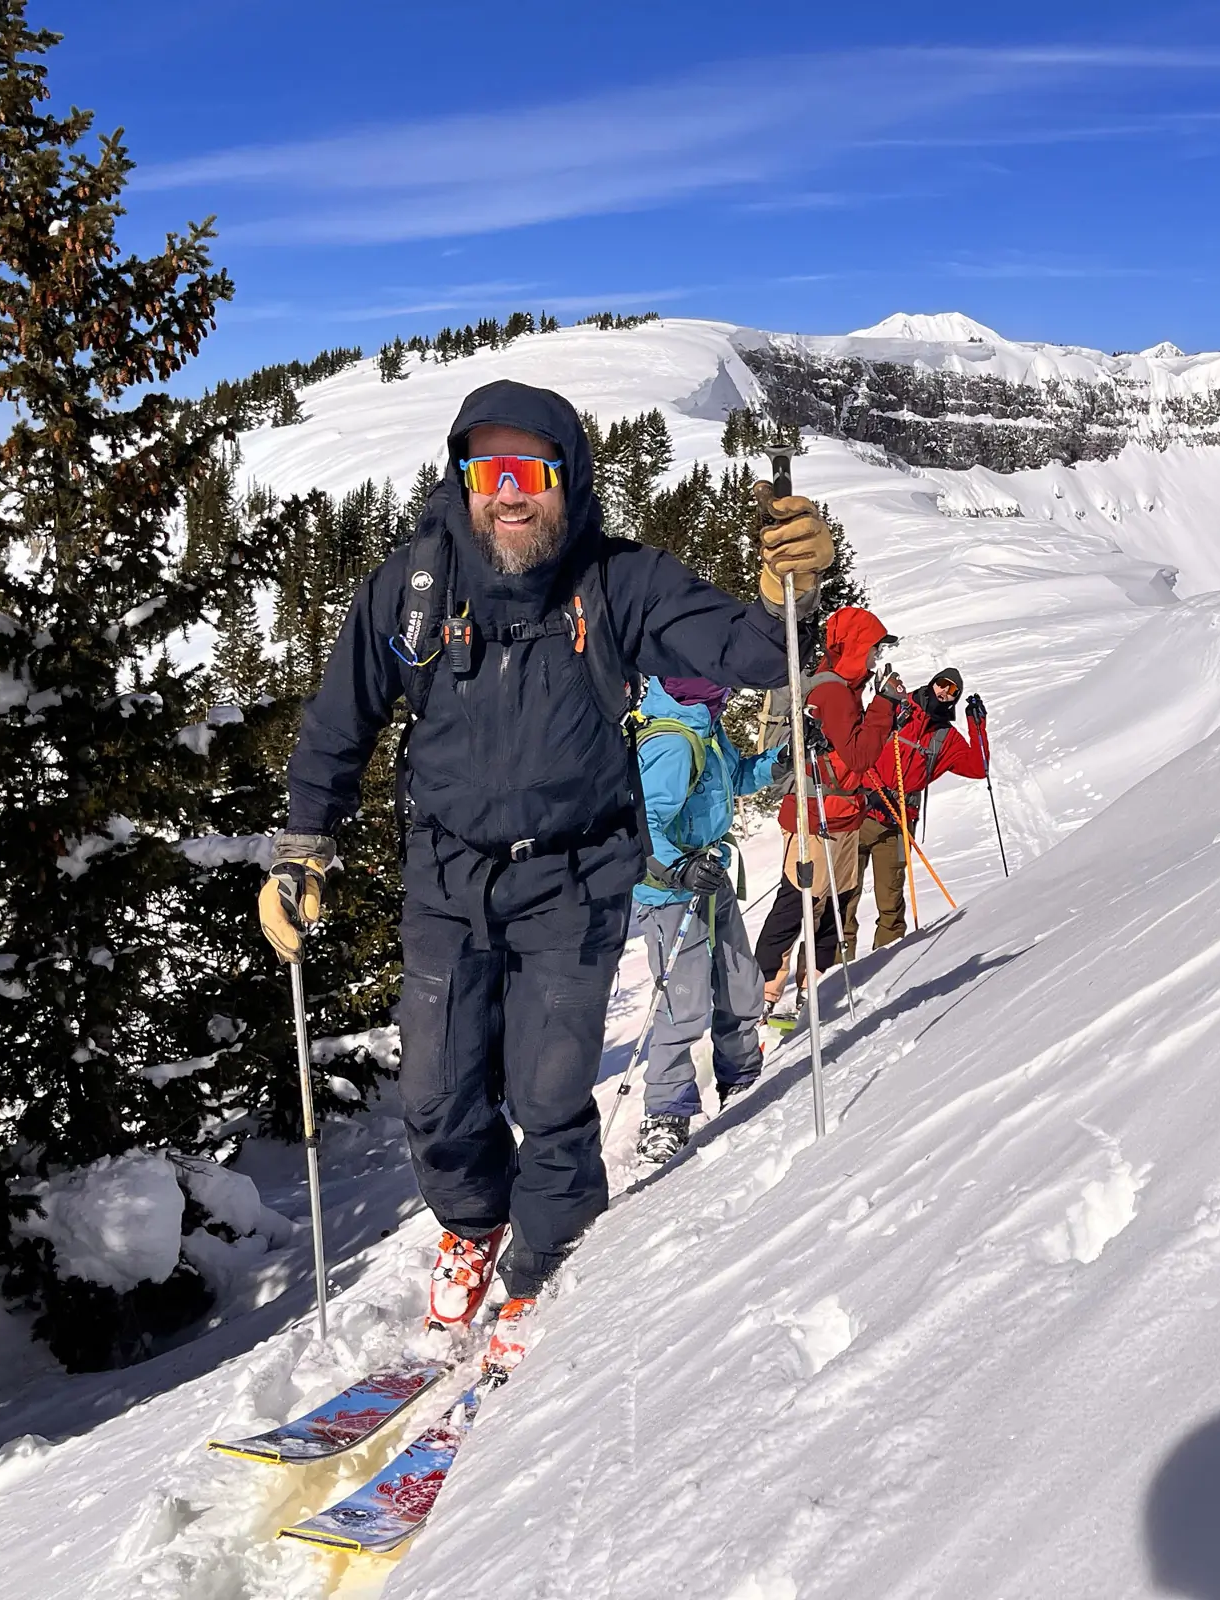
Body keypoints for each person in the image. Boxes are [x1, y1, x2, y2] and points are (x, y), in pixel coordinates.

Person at [254, 380, 832, 1369]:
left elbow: (741, 650)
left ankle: (548, 1250)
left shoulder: (617, 583)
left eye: (530, 470)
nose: (509, 494)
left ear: (567, 476)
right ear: (463, 479)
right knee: (434, 1089)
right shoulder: (415, 588)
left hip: (575, 876)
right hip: (445, 874)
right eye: (489, 472)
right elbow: (340, 720)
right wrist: (304, 844)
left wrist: (791, 599)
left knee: (548, 1085)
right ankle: (475, 1224)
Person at [625, 674, 784, 1165]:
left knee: (740, 979)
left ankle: (741, 1074)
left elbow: (736, 779)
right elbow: (640, 826)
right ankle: (666, 1109)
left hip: (708, 873)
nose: (733, 689)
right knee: (685, 999)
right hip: (672, 890)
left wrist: (780, 761)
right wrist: (680, 867)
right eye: (722, 680)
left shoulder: (706, 729)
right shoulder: (674, 741)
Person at [753, 605, 903, 1005]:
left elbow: (848, 757)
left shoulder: (843, 688)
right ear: (854, 646)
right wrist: (884, 706)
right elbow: (856, 756)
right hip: (815, 816)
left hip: (840, 813)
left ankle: (808, 983)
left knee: (830, 902)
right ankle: (766, 990)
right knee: (798, 903)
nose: (876, 656)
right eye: (872, 648)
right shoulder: (833, 692)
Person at [851, 667, 990, 951]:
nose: (944, 692)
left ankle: (882, 965)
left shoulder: (945, 737)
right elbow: (856, 743)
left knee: (890, 901)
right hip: (859, 812)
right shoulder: (899, 707)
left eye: (952, 692)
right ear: (932, 682)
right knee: (843, 896)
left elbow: (978, 767)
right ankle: (834, 971)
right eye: (942, 685)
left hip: (898, 824)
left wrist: (977, 726)